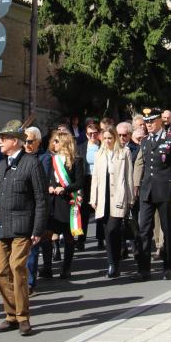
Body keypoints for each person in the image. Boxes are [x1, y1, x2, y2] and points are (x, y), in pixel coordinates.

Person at [0, 120, 48, 336]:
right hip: (3, 227)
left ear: (15, 141)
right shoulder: (1, 164)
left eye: (4, 138)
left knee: (17, 268)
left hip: (23, 227)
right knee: (0, 271)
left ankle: (23, 317)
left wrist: (38, 229)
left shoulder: (31, 163)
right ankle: (10, 314)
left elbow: (41, 199)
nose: (0, 141)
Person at [134, 107, 171, 281]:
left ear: (160, 121)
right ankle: (144, 269)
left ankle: (168, 266)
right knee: (144, 230)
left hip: (165, 190)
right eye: (146, 121)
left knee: (168, 229)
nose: (148, 124)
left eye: (151, 121)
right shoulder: (145, 141)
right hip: (147, 191)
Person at [40, 129, 84, 280]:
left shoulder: (76, 160)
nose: (54, 143)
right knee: (46, 235)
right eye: (54, 141)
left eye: (57, 141)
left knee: (69, 237)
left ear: (65, 143)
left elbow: (79, 182)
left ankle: (66, 269)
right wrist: (49, 187)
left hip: (67, 202)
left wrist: (64, 189)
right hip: (52, 202)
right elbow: (46, 178)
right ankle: (47, 268)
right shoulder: (51, 160)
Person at [90, 126, 134, 277]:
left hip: (118, 195)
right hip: (103, 197)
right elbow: (95, 177)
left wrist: (130, 198)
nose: (108, 141)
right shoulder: (99, 154)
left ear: (115, 138)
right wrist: (93, 198)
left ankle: (115, 262)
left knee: (112, 228)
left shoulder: (124, 152)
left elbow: (129, 177)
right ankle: (112, 263)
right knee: (108, 233)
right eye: (105, 138)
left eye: (110, 138)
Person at [24, 126, 51, 295]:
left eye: (29, 141)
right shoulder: (19, 157)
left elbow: (43, 182)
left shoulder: (44, 158)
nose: (26, 144)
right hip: (20, 207)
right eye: (24, 141)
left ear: (38, 142)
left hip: (35, 207)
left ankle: (30, 282)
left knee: (33, 246)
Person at [77, 119, 102, 251]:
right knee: (84, 212)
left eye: (95, 133)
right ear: (86, 135)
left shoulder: (103, 146)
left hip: (100, 181)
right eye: (90, 133)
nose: (93, 135)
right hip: (86, 181)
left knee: (100, 211)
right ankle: (81, 240)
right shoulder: (81, 147)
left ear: (99, 133)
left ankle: (100, 239)